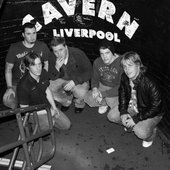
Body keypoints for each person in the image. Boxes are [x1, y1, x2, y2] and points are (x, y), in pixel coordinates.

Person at [119, 51, 165, 147]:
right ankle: (131, 123)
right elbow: (122, 93)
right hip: (134, 106)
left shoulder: (149, 82)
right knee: (113, 116)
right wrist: (123, 111)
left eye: (130, 65)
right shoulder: (124, 77)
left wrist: (136, 119)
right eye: (124, 66)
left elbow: (156, 107)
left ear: (138, 65)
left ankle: (151, 134)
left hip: (151, 112)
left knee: (141, 132)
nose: (127, 70)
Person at [17, 51, 71, 130]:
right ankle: (34, 126)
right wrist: (47, 111)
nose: (38, 68)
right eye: (34, 65)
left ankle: (47, 122)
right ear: (28, 67)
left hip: (46, 107)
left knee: (67, 125)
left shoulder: (43, 73)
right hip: (33, 113)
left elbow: (47, 90)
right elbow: (24, 110)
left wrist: (54, 107)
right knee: (49, 123)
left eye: (39, 64)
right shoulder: (23, 85)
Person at [3, 22, 50, 109]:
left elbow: (46, 64)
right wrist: (9, 87)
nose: (32, 37)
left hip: (37, 81)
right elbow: (8, 69)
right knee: (8, 100)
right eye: (28, 34)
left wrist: (44, 78)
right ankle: (20, 117)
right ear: (23, 35)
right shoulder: (14, 48)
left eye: (34, 33)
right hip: (17, 83)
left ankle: (36, 113)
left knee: (48, 93)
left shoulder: (42, 46)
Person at [48, 37, 92, 114]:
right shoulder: (52, 56)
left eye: (61, 50)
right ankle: (66, 101)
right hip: (62, 78)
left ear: (65, 47)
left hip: (77, 79)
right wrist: (56, 68)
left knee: (81, 92)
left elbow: (89, 71)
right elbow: (51, 77)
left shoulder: (77, 54)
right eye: (55, 51)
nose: (59, 54)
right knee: (48, 88)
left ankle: (79, 104)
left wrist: (75, 81)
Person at [84, 40, 123, 122]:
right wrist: (95, 88)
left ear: (112, 52)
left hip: (116, 89)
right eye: (102, 53)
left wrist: (103, 94)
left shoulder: (121, 63)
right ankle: (103, 103)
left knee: (113, 107)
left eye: (107, 53)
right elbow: (95, 78)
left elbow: (121, 87)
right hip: (102, 86)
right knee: (88, 98)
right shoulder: (97, 62)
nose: (104, 57)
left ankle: (109, 103)